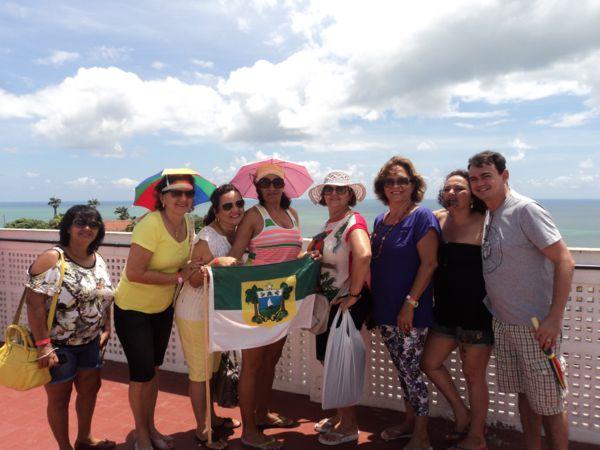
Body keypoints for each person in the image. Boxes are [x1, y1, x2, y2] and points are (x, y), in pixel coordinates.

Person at [467, 151, 574, 450]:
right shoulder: (492, 212)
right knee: (526, 396)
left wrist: (554, 318)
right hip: (505, 323)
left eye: (486, 176)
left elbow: (565, 260)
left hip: (536, 327)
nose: (479, 183)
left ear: (505, 175)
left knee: (551, 404)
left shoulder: (525, 210)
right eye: (474, 178)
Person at [114, 174, 204, 450]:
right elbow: (135, 272)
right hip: (133, 309)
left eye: (188, 193)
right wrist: (179, 277)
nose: (183, 198)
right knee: (141, 376)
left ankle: (151, 427)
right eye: (175, 193)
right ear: (162, 198)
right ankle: (141, 434)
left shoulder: (188, 224)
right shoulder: (150, 225)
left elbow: (185, 263)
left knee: (153, 372)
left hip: (162, 308)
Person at [26, 205, 115, 450]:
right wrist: (44, 346)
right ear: (68, 227)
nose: (87, 228)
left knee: (90, 391)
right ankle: (64, 447)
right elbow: (34, 304)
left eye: (94, 224)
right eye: (80, 223)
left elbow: (104, 295)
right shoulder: (53, 258)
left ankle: (84, 439)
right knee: (59, 398)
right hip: (58, 346)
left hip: (90, 342)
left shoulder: (98, 259)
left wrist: (107, 327)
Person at [228, 162, 304, 450]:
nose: (271, 188)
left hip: (283, 298)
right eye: (265, 183)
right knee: (252, 365)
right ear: (257, 187)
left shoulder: (293, 214)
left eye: (277, 182)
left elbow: (293, 254)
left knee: (271, 359)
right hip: (257, 301)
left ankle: (262, 413)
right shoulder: (253, 216)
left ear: (284, 186)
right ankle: (249, 430)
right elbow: (236, 255)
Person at [370, 156, 439, 450]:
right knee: (402, 370)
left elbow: (429, 264)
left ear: (413, 185)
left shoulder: (421, 217)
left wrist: (410, 304)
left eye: (402, 181)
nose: (395, 186)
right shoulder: (381, 220)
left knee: (411, 372)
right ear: (382, 186)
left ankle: (422, 436)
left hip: (409, 312)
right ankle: (409, 422)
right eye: (390, 181)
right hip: (385, 309)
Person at [420, 170, 491, 450]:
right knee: (429, 363)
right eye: (448, 188)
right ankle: (462, 414)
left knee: (474, 376)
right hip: (445, 311)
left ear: (472, 194)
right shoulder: (436, 219)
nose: (452, 193)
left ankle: (477, 437)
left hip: (477, 313)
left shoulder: (486, 222)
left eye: (460, 188)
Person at [174, 184, 244, 449]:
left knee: (212, 370)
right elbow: (192, 280)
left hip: (213, 312)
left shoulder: (234, 233)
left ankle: (211, 418)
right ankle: (202, 430)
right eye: (228, 206)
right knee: (200, 373)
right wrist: (216, 264)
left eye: (239, 204)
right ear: (216, 210)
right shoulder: (207, 238)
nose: (235, 209)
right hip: (195, 312)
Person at [306, 171, 371, 446]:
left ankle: (349, 425)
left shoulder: (353, 222)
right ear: (323, 196)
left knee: (340, 361)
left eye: (341, 190)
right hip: (331, 301)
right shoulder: (332, 223)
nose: (334, 194)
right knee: (330, 358)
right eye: (329, 190)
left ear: (350, 195)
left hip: (346, 301)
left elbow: (364, 254)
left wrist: (353, 295)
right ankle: (340, 416)